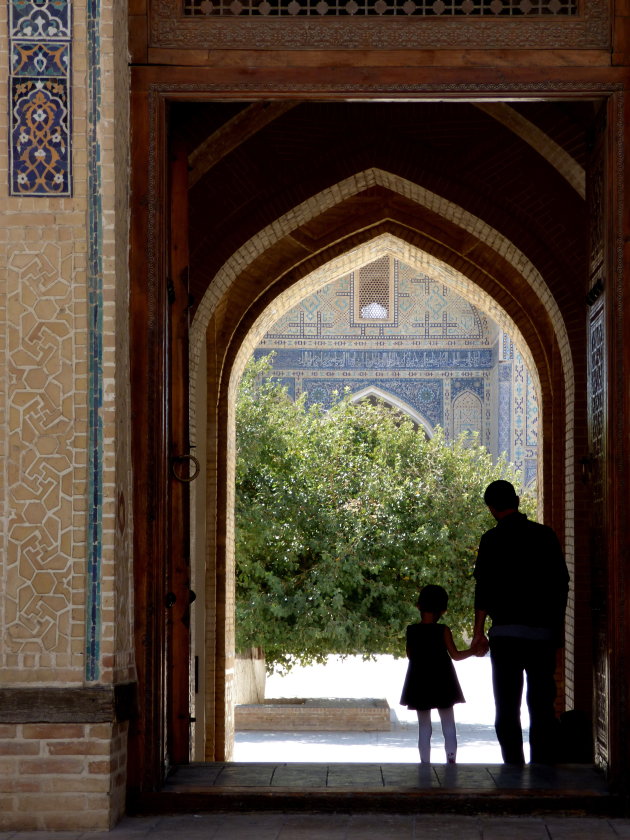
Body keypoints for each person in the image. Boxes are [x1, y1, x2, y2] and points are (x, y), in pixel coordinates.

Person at [472, 479, 569, 765]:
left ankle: (513, 768)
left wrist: (479, 634)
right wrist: (556, 631)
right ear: (516, 499)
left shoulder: (491, 540)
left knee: (507, 707)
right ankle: (542, 769)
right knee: (541, 707)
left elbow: (484, 591)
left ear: (491, 508)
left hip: (505, 637)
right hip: (542, 637)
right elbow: (561, 585)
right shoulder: (545, 536)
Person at [400, 584, 479, 764]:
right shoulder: (443, 630)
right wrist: (474, 650)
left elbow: (410, 655)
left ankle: (425, 763)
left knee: (424, 727)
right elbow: (456, 655)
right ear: (443, 610)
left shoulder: (412, 631)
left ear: (418, 606)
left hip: (419, 681)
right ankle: (451, 762)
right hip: (443, 681)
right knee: (448, 724)